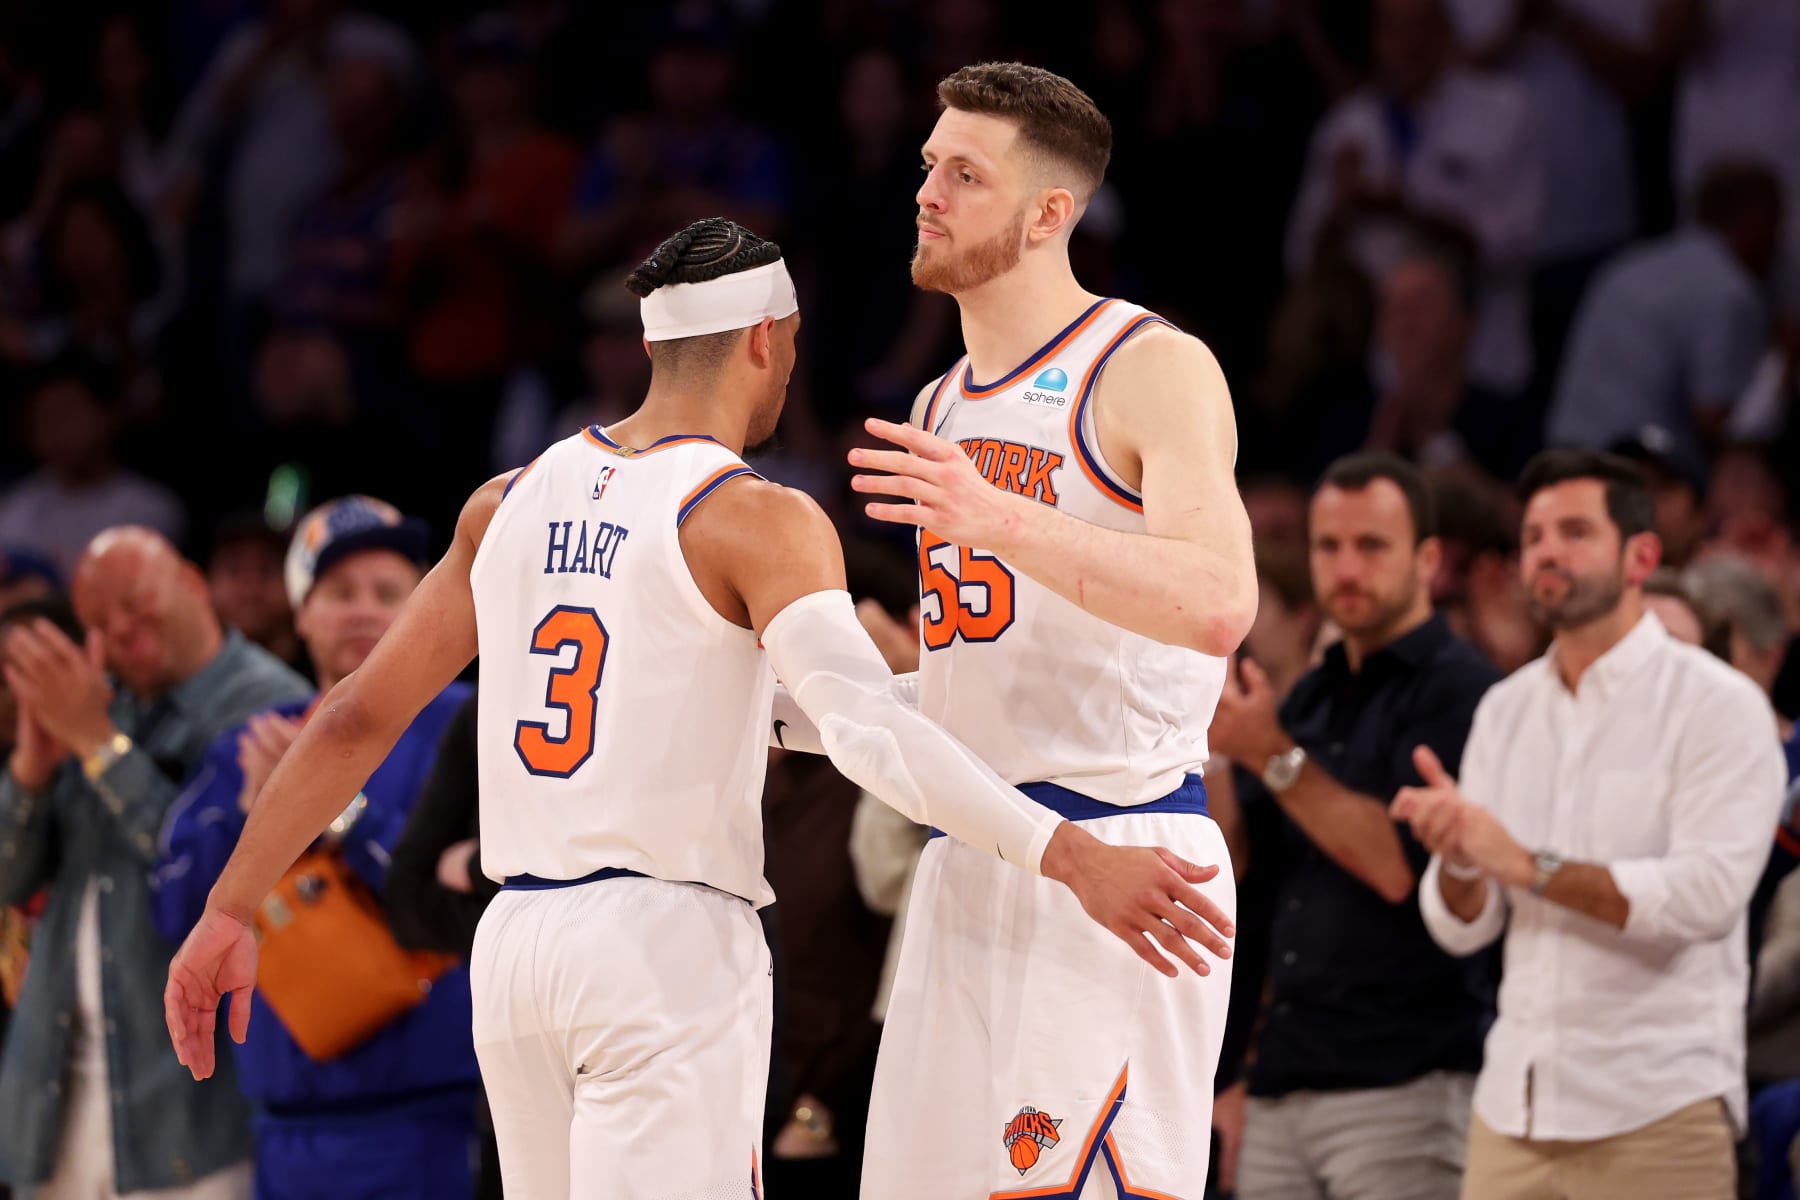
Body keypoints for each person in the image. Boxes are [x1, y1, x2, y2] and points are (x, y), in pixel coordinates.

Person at [163, 218, 1235, 1200]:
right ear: (767, 340)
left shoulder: (505, 501)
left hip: (517, 947)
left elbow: (351, 717)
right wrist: (1067, 850)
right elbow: (863, 733)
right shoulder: (754, 519)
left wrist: (228, 909)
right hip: (659, 951)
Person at [847, 61, 1255, 1197]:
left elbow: (1220, 600)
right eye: (930, 165)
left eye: (965, 175)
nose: (927, 192)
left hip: (1124, 867)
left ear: (1048, 215)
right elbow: (1001, 665)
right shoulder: (939, 404)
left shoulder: (1148, 366)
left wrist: (994, 515)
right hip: (975, 861)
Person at [1392, 448, 1786, 1200]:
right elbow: (1464, 928)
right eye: (1534, 534)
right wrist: (1461, 860)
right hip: (1513, 1105)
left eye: (1574, 530)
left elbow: (1708, 896)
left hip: (1657, 1109)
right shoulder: (1505, 710)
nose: (1546, 550)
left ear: (1641, 555)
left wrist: (1525, 864)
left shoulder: (1717, 705)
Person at [152, 496, 477, 1200]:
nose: (363, 610)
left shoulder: (468, 721)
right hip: (284, 1127)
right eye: (338, 593)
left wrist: (335, 814)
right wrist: (249, 820)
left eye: (388, 593)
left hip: (435, 1118)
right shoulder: (254, 739)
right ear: (300, 614)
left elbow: (469, 900)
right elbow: (175, 911)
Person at [1208, 453, 1500, 1200]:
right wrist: (1210, 755)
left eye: (1371, 546)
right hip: (1278, 1084)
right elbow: (1246, 880)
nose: (1345, 569)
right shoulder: (1307, 698)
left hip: (1402, 1081)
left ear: (1428, 559)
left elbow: (1398, 866)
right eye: (1328, 547)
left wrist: (1270, 754)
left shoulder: (1465, 691)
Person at [1, 528, 310, 1198]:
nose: (120, 631)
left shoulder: (268, 704)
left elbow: (217, 885)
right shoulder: (99, 702)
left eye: (135, 603)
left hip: (184, 1116)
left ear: (193, 585)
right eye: (99, 623)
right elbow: (9, 883)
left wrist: (97, 744)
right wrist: (30, 768)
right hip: (52, 1110)